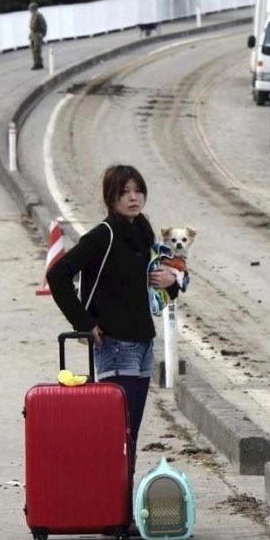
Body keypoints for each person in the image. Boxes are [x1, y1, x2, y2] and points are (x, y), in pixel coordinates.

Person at [46, 164, 180, 475]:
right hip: (116, 346)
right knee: (119, 434)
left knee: (129, 435)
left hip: (144, 344)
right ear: (111, 198)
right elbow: (57, 275)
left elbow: (151, 295)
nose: (133, 198)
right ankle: (114, 514)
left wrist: (170, 284)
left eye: (138, 190)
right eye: (124, 193)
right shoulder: (103, 236)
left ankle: (120, 511)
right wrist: (84, 323)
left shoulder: (144, 235)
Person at [28, 2, 47, 70]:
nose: (29, 10)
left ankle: (38, 64)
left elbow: (44, 25)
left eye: (30, 8)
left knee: (37, 49)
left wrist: (43, 34)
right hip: (34, 34)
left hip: (38, 34)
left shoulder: (39, 15)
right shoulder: (33, 15)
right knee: (33, 49)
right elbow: (32, 27)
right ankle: (37, 63)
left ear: (33, 8)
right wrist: (30, 34)